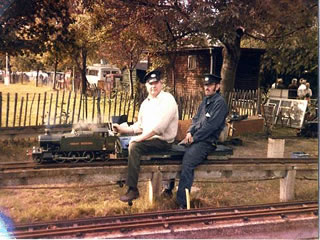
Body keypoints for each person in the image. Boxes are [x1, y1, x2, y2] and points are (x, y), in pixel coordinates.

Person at [113, 70, 179, 203]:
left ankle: (133, 189)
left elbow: (160, 128)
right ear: (146, 86)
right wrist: (121, 129)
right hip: (150, 140)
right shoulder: (146, 103)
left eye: (156, 83)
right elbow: (139, 126)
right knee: (123, 144)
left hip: (163, 142)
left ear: (161, 84)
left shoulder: (168, 100)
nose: (153, 86)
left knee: (134, 146)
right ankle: (121, 177)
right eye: (150, 84)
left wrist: (140, 138)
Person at [176, 73, 228, 209]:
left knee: (188, 161)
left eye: (210, 85)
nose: (207, 88)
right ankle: (168, 189)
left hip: (207, 142)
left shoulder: (220, 103)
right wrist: (189, 132)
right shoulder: (205, 101)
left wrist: (194, 137)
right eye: (205, 85)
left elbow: (211, 126)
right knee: (173, 152)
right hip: (195, 139)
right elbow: (195, 119)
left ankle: (182, 202)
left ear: (217, 87)